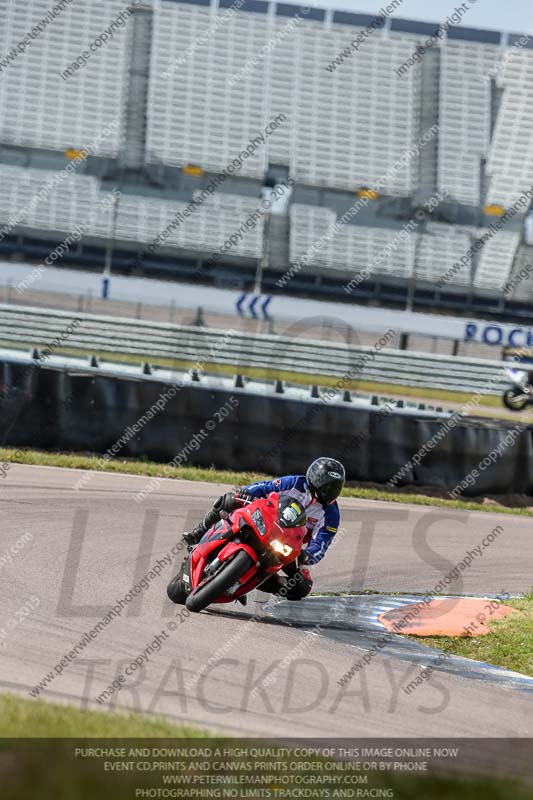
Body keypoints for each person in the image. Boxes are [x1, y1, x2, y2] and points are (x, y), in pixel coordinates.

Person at [183, 457, 345, 601]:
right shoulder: (294, 483)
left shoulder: (331, 515)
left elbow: (321, 544)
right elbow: (263, 488)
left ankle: (250, 582)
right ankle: (199, 532)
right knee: (228, 500)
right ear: (314, 479)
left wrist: (307, 556)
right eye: (326, 487)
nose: (329, 493)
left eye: (334, 489)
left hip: (288, 546)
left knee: (302, 586)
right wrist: (245, 493)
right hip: (263, 522)